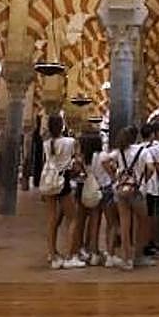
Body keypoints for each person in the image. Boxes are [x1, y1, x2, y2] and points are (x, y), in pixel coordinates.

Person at [41, 114, 85, 269]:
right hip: (63, 181)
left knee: (52, 220)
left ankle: (52, 255)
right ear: (62, 126)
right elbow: (78, 160)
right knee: (73, 218)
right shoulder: (70, 142)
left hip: (49, 181)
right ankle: (70, 255)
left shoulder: (46, 143)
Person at [105, 126, 150, 271]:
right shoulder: (143, 151)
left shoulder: (119, 152)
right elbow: (151, 168)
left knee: (124, 224)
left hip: (121, 190)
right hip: (137, 190)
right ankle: (138, 254)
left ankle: (127, 258)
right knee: (143, 221)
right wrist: (143, 180)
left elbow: (105, 161)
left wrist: (115, 177)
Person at [78, 132, 114, 265]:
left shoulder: (86, 158)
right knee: (111, 222)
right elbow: (110, 172)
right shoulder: (102, 156)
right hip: (105, 189)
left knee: (95, 222)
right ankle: (108, 253)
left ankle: (93, 252)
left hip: (92, 190)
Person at [140, 123, 159, 254]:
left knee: (144, 215)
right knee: (155, 215)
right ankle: (154, 240)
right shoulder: (158, 147)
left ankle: (143, 240)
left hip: (139, 187)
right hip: (153, 185)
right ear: (153, 134)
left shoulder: (138, 147)